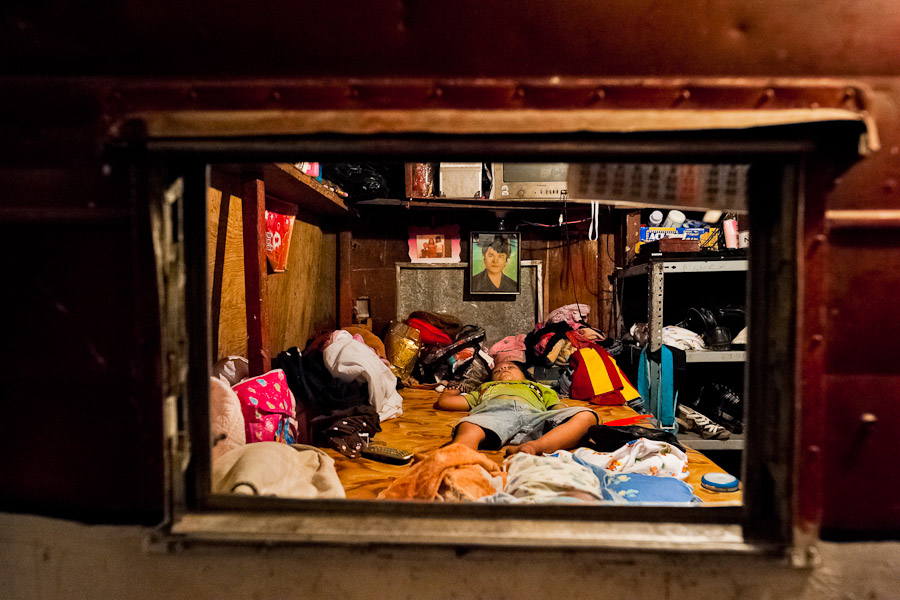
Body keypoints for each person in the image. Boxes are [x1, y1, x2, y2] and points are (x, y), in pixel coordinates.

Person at [434, 361, 599, 456]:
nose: (503, 369)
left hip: (536, 417)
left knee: (587, 416)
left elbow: (557, 408)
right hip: (494, 414)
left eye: (510, 367)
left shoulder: (539, 387)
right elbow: (447, 403)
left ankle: (533, 447)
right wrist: (449, 391)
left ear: (524, 375)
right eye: (497, 370)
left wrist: (566, 417)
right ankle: (457, 455)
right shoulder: (485, 388)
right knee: (470, 425)